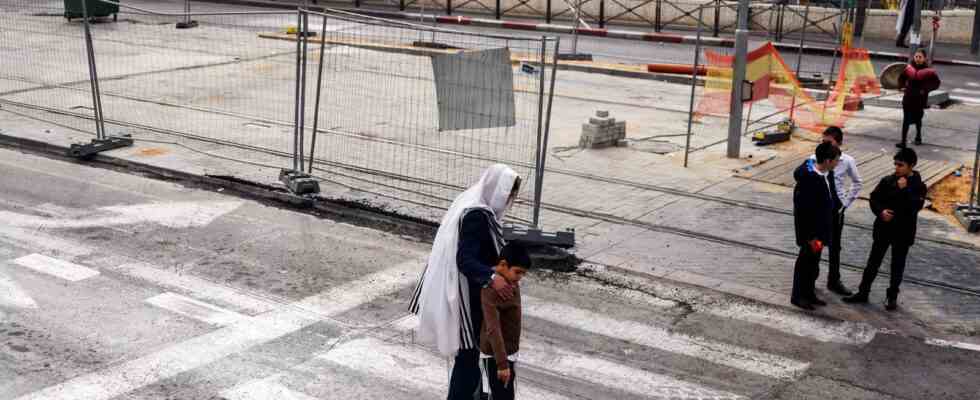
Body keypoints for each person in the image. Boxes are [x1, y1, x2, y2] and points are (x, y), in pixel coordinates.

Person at [408, 164, 522, 400]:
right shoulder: (477, 216)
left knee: (473, 361)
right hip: (473, 302)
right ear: (498, 191)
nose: (510, 201)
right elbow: (465, 259)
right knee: (475, 361)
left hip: (477, 300)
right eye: (509, 195)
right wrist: (492, 278)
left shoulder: (477, 209)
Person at [844, 148, 927, 311]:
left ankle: (892, 296)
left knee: (897, 265)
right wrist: (880, 211)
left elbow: (916, 206)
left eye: (901, 165)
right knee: (873, 262)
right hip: (884, 229)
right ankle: (863, 291)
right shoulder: (887, 180)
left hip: (903, 232)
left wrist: (905, 189)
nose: (896, 168)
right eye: (895, 164)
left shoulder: (919, 186)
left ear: (911, 166)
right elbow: (874, 198)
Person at [808, 127, 862, 296]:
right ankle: (811, 277)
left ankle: (834, 280)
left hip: (835, 209)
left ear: (838, 143)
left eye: (828, 142)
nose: (824, 145)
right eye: (822, 141)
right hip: (819, 209)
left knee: (835, 246)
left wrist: (845, 203)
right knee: (816, 244)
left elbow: (857, 182)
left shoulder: (847, 161)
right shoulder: (813, 159)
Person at [792, 142, 842, 311]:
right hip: (812, 234)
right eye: (836, 160)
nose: (837, 163)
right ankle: (799, 296)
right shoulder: (810, 179)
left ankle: (809, 293)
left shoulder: (824, 174)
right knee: (805, 263)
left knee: (813, 264)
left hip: (820, 232)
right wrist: (811, 237)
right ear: (827, 161)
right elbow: (804, 212)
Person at [480, 243, 532, 400]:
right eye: (517, 272)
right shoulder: (492, 290)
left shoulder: (510, 282)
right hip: (497, 357)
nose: (519, 277)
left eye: (522, 274)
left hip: (508, 354)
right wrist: (502, 365)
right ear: (502, 265)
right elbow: (492, 329)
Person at [897, 49, 941, 148]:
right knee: (906, 120)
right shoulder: (908, 68)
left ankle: (918, 137)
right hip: (908, 98)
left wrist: (926, 89)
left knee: (918, 119)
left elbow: (936, 83)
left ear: (924, 58)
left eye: (920, 57)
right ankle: (903, 141)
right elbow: (901, 78)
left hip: (920, 99)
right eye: (916, 56)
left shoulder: (929, 71)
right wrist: (901, 86)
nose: (917, 59)